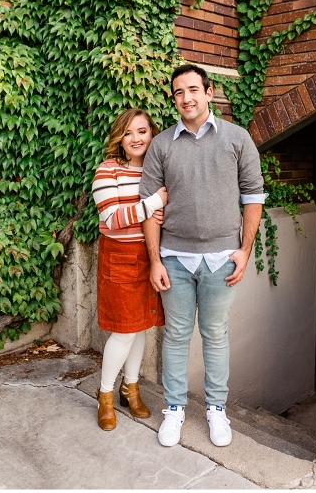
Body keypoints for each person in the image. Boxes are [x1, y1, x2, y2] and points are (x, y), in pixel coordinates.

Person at [139, 64, 265, 448]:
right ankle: (174, 409)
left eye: (193, 89)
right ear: (173, 98)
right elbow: (149, 208)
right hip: (174, 259)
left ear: (209, 93)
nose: (186, 98)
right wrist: (155, 261)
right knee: (176, 336)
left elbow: (253, 196)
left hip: (222, 260)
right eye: (179, 92)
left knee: (215, 335)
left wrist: (244, 251)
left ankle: (216, 410)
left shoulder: (237, 138)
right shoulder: (162, 145)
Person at [92, 108, 167, 431]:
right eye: (128, 133)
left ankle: (130, 389)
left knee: (141, 327)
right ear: (119, 139)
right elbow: (111, 218)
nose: (136, 138)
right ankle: (105, 395)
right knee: (124, 331)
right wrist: (152, 205)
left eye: (142, 131)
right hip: (119, 257)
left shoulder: (156, 171)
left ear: (152, 134)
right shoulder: (107, 170)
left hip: (149, 256)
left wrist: (158, 211)